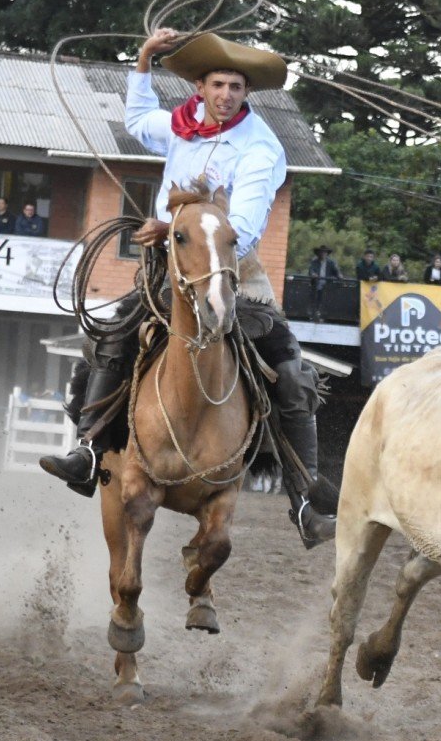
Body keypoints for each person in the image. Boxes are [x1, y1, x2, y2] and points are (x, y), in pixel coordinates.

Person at [40, 27, 338, 549]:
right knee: (110, 340)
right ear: (200, 86)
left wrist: (183, 220)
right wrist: (144, 58)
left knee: (291, 371)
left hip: (234, 270)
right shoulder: (183, 125)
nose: (226, 95)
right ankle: (89, 452)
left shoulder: (262, 148)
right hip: (166, 263)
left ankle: (305, 498)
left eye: (237, 87)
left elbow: (241, 223)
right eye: (218, 84)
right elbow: (136, 120)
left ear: (247, 94)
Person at [306, 246, 341, 322]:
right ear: (318, 253)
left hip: (327, 285)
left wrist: (339, 275)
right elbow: (311, 270)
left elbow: (336, 271)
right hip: (316, 284)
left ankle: (324, 315)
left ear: (327, 254)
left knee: (325, 299)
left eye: (325, 252)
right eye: (321, 252)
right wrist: (313, 274)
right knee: (314, 299)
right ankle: (313, 315)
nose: (323, 254)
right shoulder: (314, 262)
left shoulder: (331, 262)